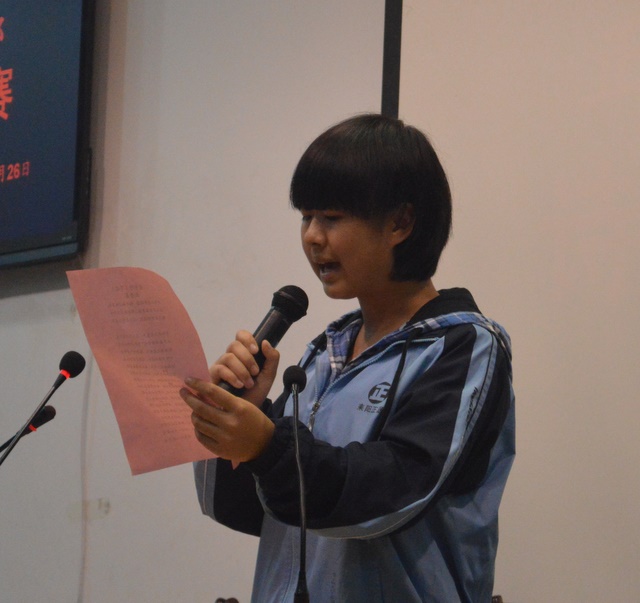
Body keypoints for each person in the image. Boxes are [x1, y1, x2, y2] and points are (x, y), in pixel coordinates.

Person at [180, 114, 515, 602]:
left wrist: (267, 447)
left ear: (400, 223)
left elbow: (394, 491)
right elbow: (257, 511)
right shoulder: (323, 353)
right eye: (306, 217)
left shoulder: (464, 347)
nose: (313, 237)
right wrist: (236, 422)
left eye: (332, 218)